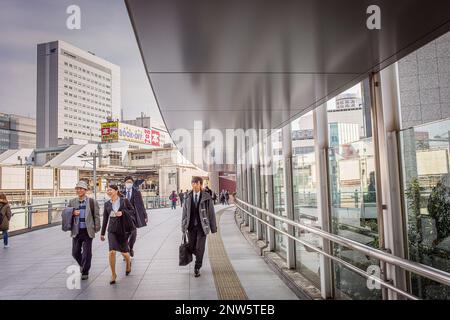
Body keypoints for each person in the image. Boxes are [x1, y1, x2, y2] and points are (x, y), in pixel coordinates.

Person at [181, 176, 217, 277]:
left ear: (200, 184)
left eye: (195, 183)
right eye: (192, 183)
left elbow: (211, 213)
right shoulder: (187, 196)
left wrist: (213, 227)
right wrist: (183, 226)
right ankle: (199, 256)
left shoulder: (206, 196)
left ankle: (197, 266)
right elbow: (184, 213)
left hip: (202, 226)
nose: (193, 185)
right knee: (192, 246)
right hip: (191, 226)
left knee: (200, 247)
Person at [101, 184, 134, 285]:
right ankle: (113, 274)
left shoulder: (124, 201)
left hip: (123, 229)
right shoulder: (107, 204)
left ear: (116, 191)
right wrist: (102, 233)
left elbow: (132, 211)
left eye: (110, 190)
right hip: (112, 230)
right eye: (107, 190)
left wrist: (122, 213)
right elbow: (105, 219)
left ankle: (128, 263)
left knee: (124, 252)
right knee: (112, 251)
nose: (108, 192)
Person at [69, 181, 101, 280]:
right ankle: (83, 265)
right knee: (75, 252)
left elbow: (96, 216)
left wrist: (97, 227)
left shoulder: (92, 202)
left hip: (88, 231)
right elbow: (67, 213)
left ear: (85, 190)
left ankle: (85, 271)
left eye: (81, 189)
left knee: (87, 252)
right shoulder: (72, 202)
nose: (79, 190)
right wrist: (73, 212)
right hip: (76, 230)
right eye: (77, 189)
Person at [122, 176, 148, 258]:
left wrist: (145, 215)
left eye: (130, 182)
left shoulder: (136, 192)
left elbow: (141, 204)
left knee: (133, 233)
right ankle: (126, 250)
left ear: (132, 183)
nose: (129, 183)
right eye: (127, 182)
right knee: (125, 235)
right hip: (123, 217)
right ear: (125, 183)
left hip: (133, 216)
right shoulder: (121, 193)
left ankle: (130, 248)